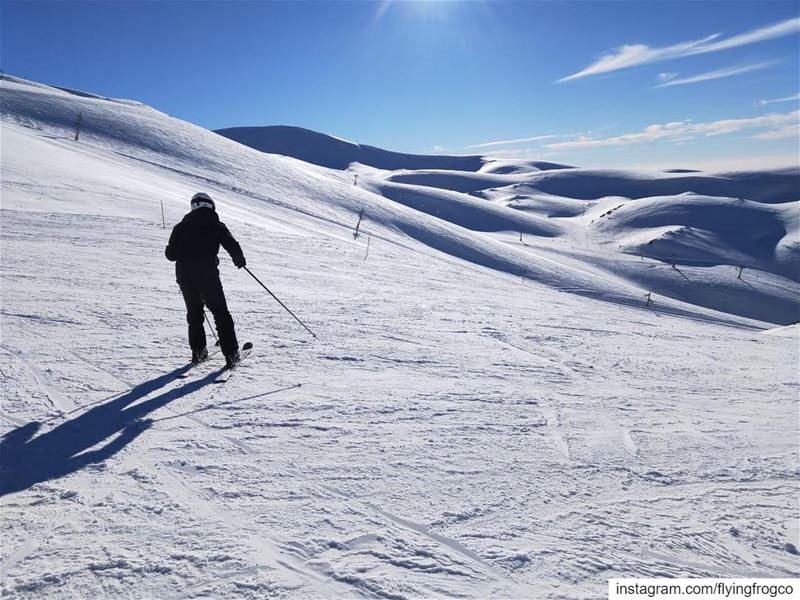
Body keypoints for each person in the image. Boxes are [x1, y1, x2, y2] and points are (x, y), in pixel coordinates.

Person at [165, 192, 246, 368]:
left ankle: (198, 351)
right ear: (210, 205)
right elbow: (231, 244)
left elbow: (170, 255)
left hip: (185, 277)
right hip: (207, 276)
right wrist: (239, 260)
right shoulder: (215, 225)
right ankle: (231, 353)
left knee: (194, 314)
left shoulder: (180, 227)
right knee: (220, 312)